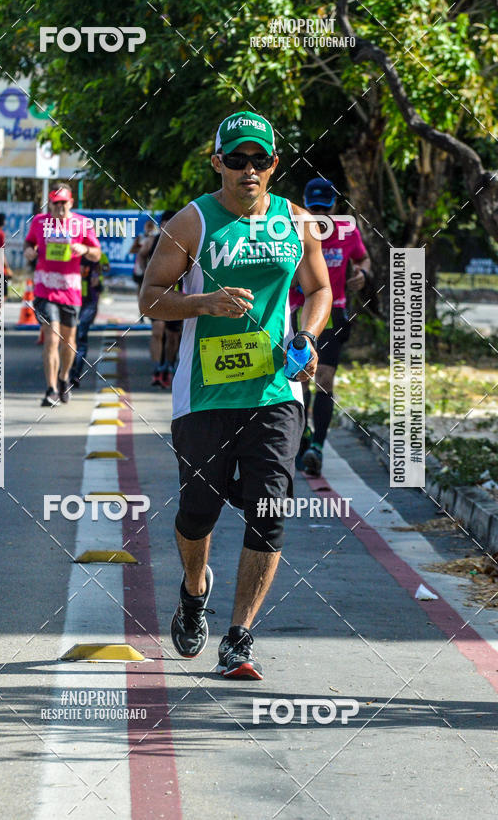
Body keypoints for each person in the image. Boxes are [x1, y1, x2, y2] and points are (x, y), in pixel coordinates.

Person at [140, 111, 331, 679]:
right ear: (217, 162)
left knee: (269, 511)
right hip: (204, 395)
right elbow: (151, 298)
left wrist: (307, 335)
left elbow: (319, 289)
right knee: (198, 511)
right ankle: (194, 588)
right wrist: (204, 303)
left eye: (260, 159)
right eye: (237, 159)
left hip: (276, 390)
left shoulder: (297, 221)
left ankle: (239, 637)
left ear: (274, 164)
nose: (250, 169)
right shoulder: (192, 222)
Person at [290, 178, 371, 477]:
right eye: (314, 209)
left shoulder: (348, 231)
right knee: (300, 379)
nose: (319, 215)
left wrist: (362, 274)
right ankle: (303, 436)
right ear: (305, 205)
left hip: (334, 312)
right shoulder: (291, 230)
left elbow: (363, 259)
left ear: (335, 206)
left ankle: (317, 447)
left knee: (324, 378)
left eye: (325, 208)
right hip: (298, 311)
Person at [24, 183, 101, 407]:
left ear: (71, 203)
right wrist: (28, 250)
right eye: (55, 204)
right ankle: (50, 390)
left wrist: (85, 249)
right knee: (52, 338)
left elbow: (97, 253)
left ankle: (64, 376)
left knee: (69, 342)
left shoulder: (83, 224)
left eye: (63, 203)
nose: (59, 208)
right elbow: (29, 242)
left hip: (70, 291)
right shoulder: (39, 222)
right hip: (44, 289)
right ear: (49, 204)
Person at [139, 210, 182, 389]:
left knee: (173, 336)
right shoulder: (153, 241)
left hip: (177, 296)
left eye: (170, 223)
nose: (167, 227)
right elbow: (141, 255)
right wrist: (146, 275)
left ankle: (169, 366)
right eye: (164, 223)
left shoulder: (184, 240)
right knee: (158, 330)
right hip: (158, 294)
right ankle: (157, 368)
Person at [70, 251, 110, 388]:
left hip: (86, 302)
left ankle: (74, 373)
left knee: (79, 337)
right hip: (72, 300)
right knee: (72, 337)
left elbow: (100, 276)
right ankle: (70, 371)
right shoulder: (71, 253)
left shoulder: (96, 255)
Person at [130, 218, 157, 303]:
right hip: (141, 265)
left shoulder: (156, 238)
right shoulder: (140, 237)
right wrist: (143, 249)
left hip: (152, 265)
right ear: (145, 227)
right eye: (148, 226)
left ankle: (150, 304)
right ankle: (140, 304)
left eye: (151, 227)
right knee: (140, 285)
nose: (149, 229)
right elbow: (132, 250)